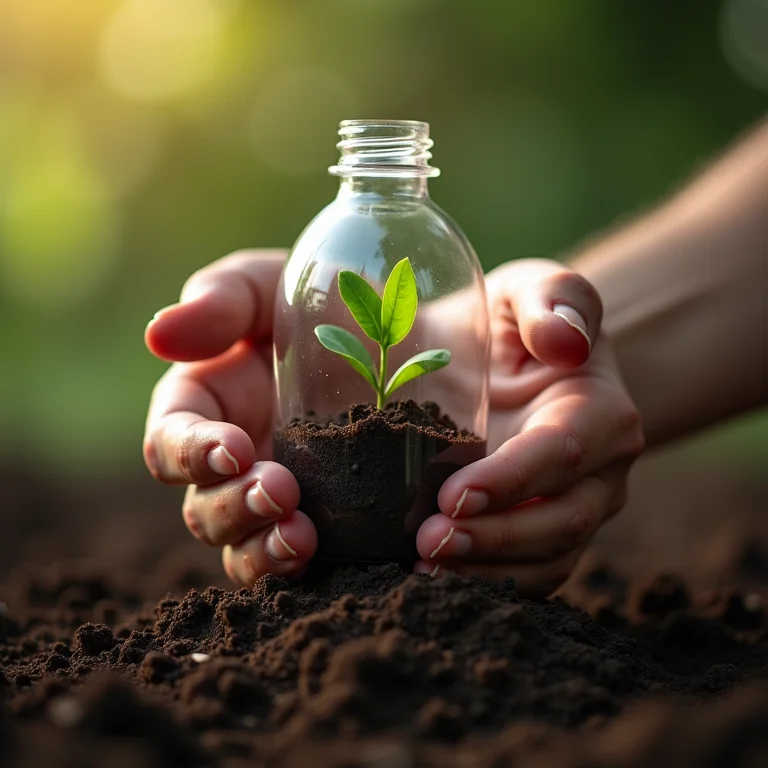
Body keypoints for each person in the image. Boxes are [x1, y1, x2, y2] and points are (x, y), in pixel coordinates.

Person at [143, 119, 768, 597]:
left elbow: (456, 347)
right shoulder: (321, 244)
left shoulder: (436, 238)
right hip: (321, 543)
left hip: (441, 541)